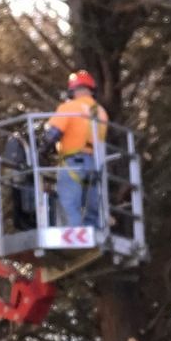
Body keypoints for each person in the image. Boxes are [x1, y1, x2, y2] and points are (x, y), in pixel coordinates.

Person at [45, 70, 108, 229]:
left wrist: (41, 150)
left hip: (74, 162)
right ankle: (93, 235)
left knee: (68, 202)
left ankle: (72, 238)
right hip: (94, 164)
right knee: (92, 205)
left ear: (73, 90)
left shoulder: (70, 107)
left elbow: (53, 134)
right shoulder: (101, 113)